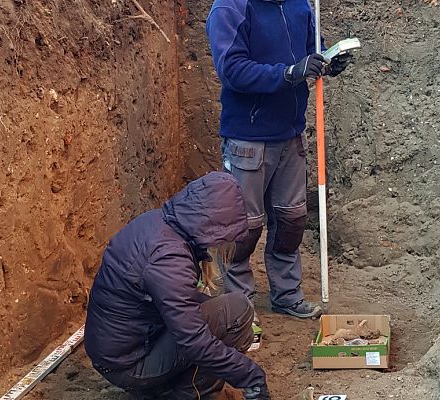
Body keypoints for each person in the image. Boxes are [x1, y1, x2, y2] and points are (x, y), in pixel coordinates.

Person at [206, 0, 352, 319]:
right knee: (242, 226)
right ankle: (239, 308)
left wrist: (327, 61)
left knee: (291, 220)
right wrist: (288, 73)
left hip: (290, 135)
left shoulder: (299, 5)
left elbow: (312, 51)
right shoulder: (230, 9)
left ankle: (286, 295)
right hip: (248, 137)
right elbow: (231, 69)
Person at [84, 172, 270, 400]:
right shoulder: (169, 258)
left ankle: (167, 387)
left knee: (218, 309)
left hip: (119, 348)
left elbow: (180, 304)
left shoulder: (158, 222)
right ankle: (189, 394)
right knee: (236, 312)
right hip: (129, 364)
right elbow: (193, 340)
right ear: (215, 224)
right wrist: (251, 376)